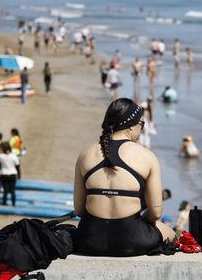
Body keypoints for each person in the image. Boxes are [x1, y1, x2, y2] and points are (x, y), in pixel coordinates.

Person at [73, 98, 175, 256]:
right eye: (141, 124)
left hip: (89, 240)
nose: (141, 129)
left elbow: (79, 209)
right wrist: (139, 221)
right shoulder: (147, 156)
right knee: (171, 233)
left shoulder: (85, 154)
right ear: (132, 125)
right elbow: (155, 213)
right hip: (131, 242)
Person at [0, 141, 19, 206]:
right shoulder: (13, 156)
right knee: (12, 190)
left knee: (5, 190)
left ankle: (4, 202)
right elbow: (17, 165)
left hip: (4, 174)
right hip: (13, 174)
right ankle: (13, 203)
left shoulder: (1, 156)